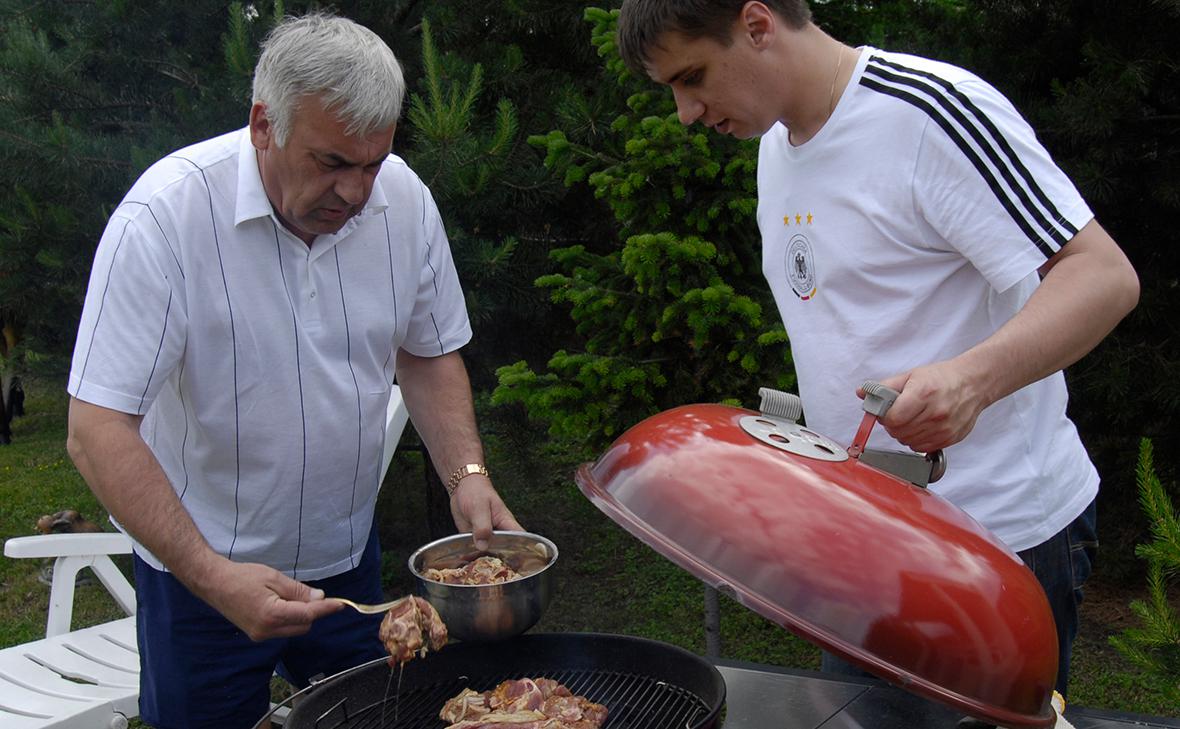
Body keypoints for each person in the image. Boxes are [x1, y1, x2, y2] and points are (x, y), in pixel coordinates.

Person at [616, 0, 1139, 702]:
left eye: (693, 76)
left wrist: (971, 381)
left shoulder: (931, 112)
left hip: (1000, 550)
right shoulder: (775, 148)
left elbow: (1103, 275)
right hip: (866, 560)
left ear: (757, 24)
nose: (685, 112)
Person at [65, 12, 522, 728]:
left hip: (346, 567)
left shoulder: (403, 201)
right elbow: (96, 429)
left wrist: (468, 474)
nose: (356, 192)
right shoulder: (164, 217)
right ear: (262, 124)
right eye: (332, 163)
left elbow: (427, 352)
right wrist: (216, 579)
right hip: (199, 577)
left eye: (372, 163)